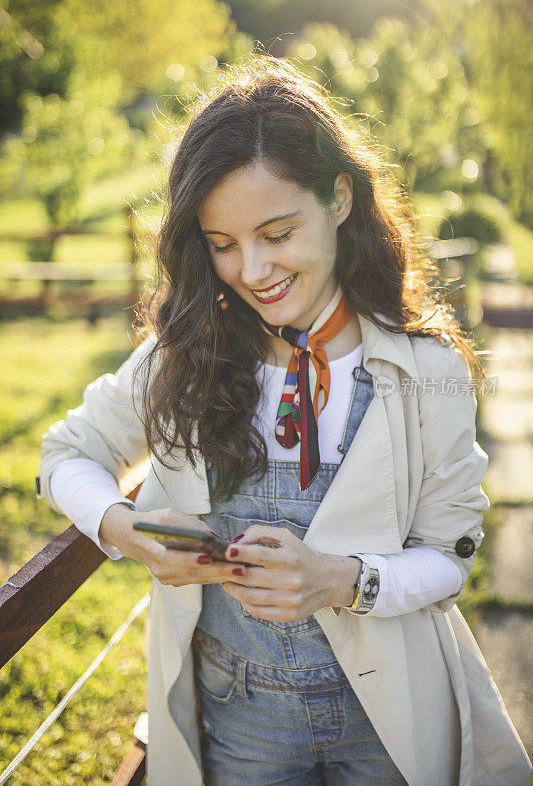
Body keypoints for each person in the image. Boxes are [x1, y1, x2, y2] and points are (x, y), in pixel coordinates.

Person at [36, 56, 531, 786]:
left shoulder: (428, 372)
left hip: (387, 719)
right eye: (223, 244)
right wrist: (123, 528)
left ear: (338, 198)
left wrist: (337, 579)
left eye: (276, 232)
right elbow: (65, 454)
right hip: (239, 723)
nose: (252, 270)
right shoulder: (184, 355)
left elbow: (448, 558)